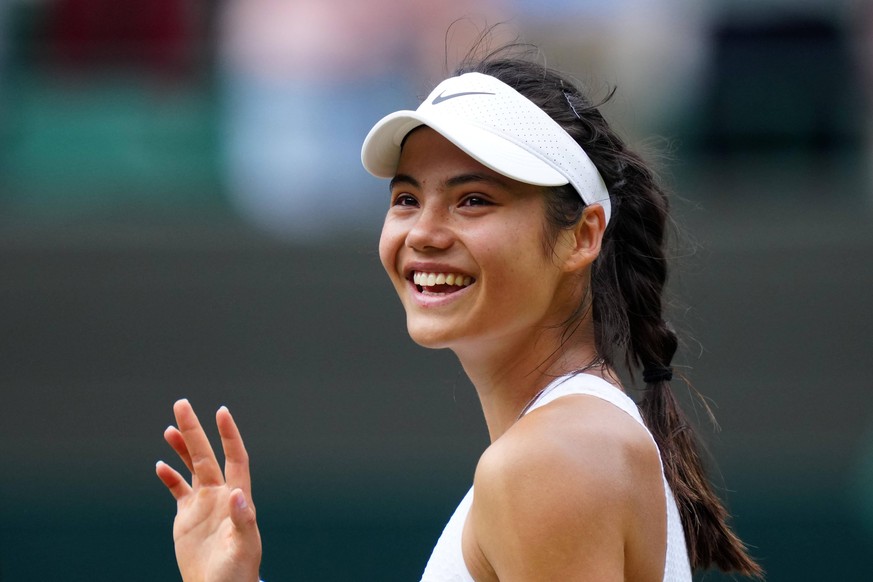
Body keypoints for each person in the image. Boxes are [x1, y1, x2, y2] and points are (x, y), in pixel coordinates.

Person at [155, 45, 763, 581]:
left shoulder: (550, 460)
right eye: (406, 198)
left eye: (473, 200)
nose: (423, 232)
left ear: (581, 236)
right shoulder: (564, 446)